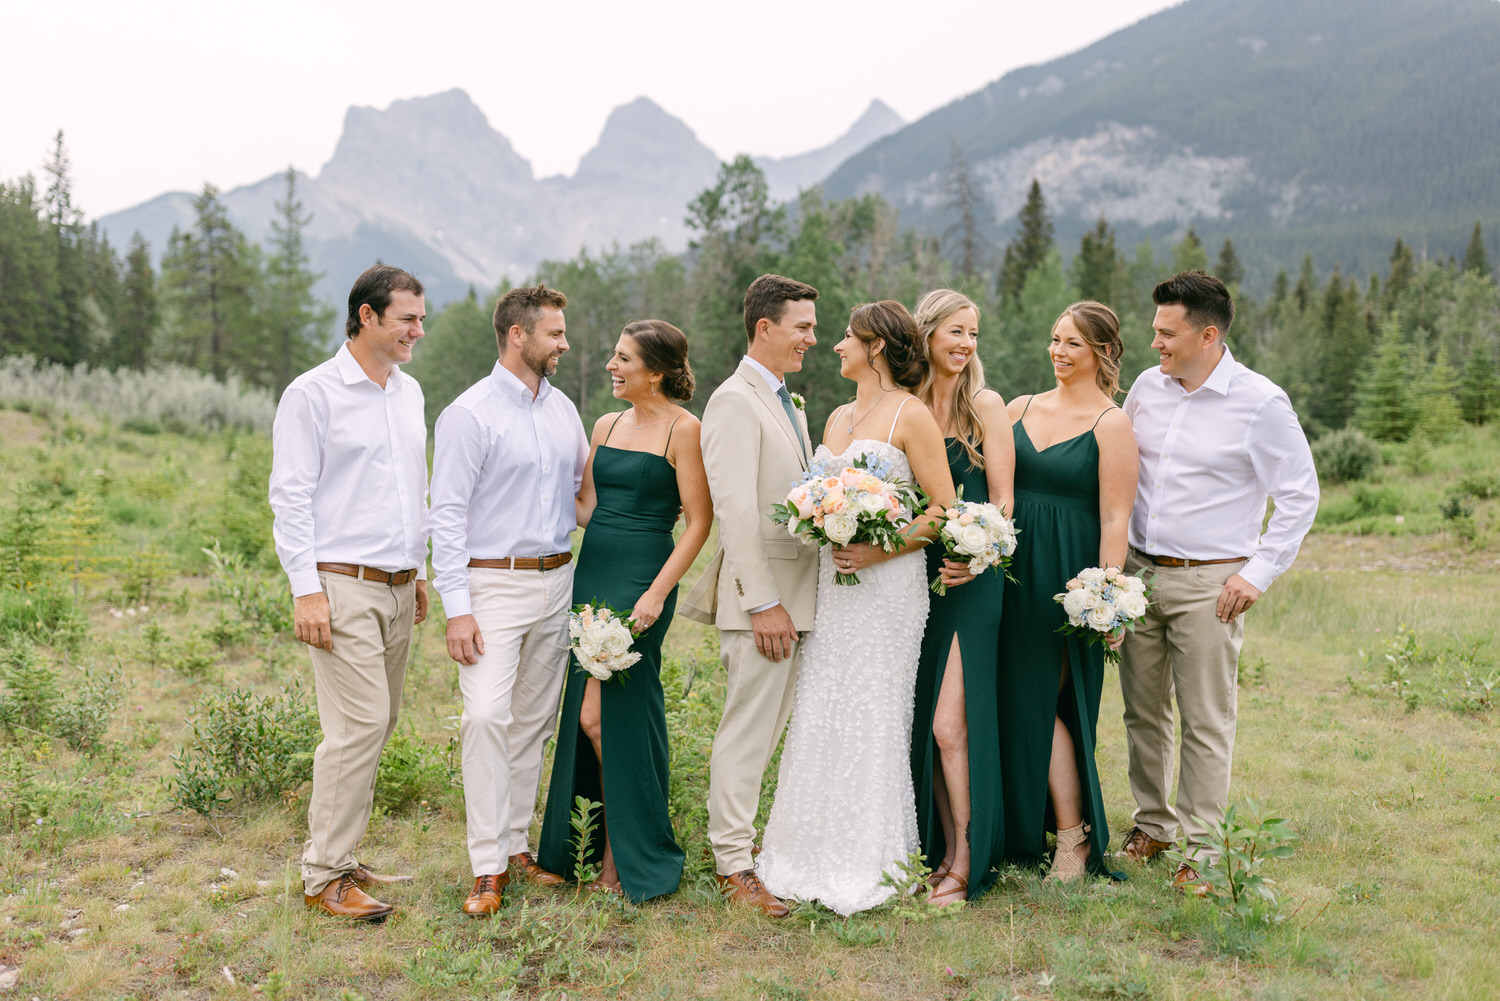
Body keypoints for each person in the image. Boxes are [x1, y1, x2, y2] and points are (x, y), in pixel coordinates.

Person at [1117, 271, 1317, 891]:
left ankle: (1202, 850)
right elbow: (1120, 469)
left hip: (1212, 583)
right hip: (1139, 573)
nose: (1155, 344)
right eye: (1154, 331)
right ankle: (1153, 824)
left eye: (1166, 333)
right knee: (1141, 711)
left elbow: (1299, 495)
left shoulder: (1260, 403)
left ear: (1207, 335)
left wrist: (1256, 575)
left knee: (1205, 719)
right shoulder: (1147, 389)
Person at [756, 300, 957, 916]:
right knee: (821, 706)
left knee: (873, 709)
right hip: (832, 586)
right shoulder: (838, 415)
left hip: (888, 589)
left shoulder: (911, 413)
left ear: (875, 347)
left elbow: (942, 509)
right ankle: (802, 852)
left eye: (846, 336)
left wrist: (882, 549)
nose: (835, 345)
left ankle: (868, 859)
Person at [269, 264, 430, 920]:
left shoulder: (409, 392)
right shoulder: (312, 394)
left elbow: (407, 491)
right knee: (357, 725)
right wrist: (306, 590)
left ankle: (343, 853)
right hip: (340, 586)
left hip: (397, 586)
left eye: (421, 318)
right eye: (407, 319)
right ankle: (324, 876)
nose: (418, 330)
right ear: (366, 316)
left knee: (379, 721)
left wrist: (417, 571)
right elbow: (290, 496)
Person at [536, 320, 712, 902]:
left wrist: (658, 592)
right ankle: (584, 848)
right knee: (589, 714)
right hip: (594, 571)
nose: (612, 366)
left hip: (642, 578)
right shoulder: (606, 423)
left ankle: (625, 853)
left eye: (623, 358)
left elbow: (699, 522)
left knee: (607, 715)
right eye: (614, 356)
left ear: (655, 372)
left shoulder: (685, 430)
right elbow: (585, 505)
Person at [428, 285, 589, 917]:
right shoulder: (468, 414)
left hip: (558, 580)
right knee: (486, 718)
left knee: (532, 722)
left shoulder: (565, 410)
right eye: (554, 333)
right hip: (491, 584)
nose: (565, 343)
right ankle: (485, 865)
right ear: (517, 335)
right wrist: (456, 607)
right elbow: (446, 515)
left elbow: (584, 495)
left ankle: (517, 845)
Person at [682, 274, 821, 918]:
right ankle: (733, 864)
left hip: (801, 593)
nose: (811, 339)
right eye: (802, 327)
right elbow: (734, 513)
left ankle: (745, 848)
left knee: (768, 733)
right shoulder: (734, 400)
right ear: (763, 328)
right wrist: (763, 602)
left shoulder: (785, 400)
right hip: (764, 602)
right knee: (747, 730)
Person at [998, 301, 1138, 882]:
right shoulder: (1017, 408)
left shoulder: (1113, 423)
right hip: (1007, 573)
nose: (1058, 352)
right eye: (1055, 340)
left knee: (1044, 701)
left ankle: (1073, 839)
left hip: (1065, 581)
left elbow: (1114, 518)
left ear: (1102, 352)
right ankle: (1013, 827)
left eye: (1073, 344)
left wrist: (1104, 599)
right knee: (1007, 696)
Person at [909, 289, 1015, 906]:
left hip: (971, 579)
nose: (965, 344)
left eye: (973, 333)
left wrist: (979, 555)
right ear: (926, 334)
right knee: (925, 720)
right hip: (912, 580)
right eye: (955, 331)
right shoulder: (907, 407)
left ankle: (968, 855)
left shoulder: (985, 405)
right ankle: (940, 846)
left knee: (951, 726)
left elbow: (1003, 501)